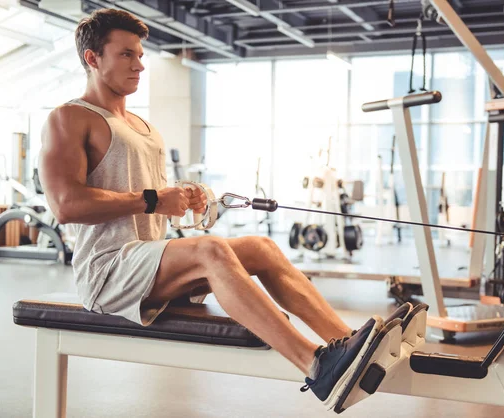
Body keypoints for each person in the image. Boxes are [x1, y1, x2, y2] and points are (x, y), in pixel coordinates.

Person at [38, 8, 410, 410]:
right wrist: (152, 199)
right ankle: (318, 366)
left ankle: (351, 345)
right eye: (126, 54)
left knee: (262, 249)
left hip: (148, 264)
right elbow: (65, 205)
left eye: (141, 55)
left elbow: (151, 200)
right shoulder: (70, 117)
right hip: (109, 271)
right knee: (211, 249)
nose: (140, 65)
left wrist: (183, 196)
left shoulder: (144, 127)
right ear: (93, 59)